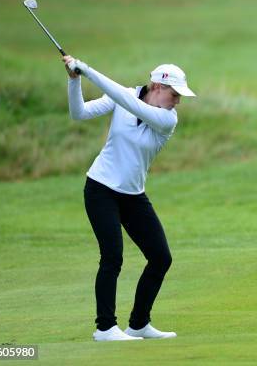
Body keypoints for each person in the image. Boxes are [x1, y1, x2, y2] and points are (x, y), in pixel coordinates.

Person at [63, 55, 196, 341]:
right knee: (112, 256)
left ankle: (138, 324)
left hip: (133, 195)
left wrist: (87, 68)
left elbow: (129, 103)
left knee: (161, 257)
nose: (178, 101)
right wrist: (75, 81)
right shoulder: (123, 95)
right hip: (101, 188)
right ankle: (105, 328)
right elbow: (79, 114)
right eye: (175, 94)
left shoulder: (167, 118)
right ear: (157, 87)